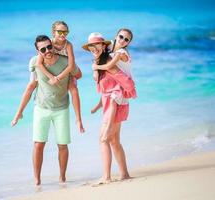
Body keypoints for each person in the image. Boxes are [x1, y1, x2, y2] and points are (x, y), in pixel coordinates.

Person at [11, 35, 82, 185]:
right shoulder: (34, 63)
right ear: (38, 51)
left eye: (49, 47)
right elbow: (30, 87)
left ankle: (62, 178)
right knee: (38, 144)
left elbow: (77, 80)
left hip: (61, 109)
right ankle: (37, 180)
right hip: (41, 108)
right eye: (43, 49)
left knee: (62, 145)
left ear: (52, 45)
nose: (47, 51)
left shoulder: (65, 61)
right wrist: (19, 113)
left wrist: (78, 118)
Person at [82, 32, 136, 184]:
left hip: (116, 104)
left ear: (104, 45)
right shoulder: (101, 61)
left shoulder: (109, 62)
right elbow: (107, 88)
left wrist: (109, 122)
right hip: (114, 104)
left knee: (104, 138)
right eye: (91, 46)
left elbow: (116, 91)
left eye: (97, 44)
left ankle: (106, 177)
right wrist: (98, 106)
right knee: (114, 140)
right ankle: (124, 174)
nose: (94, 48)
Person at [36, 21, 85, 133]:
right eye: (60, 32)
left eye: (65, 32)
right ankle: (78, 120)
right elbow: (39, 63)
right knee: (73, 88)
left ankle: (78, 119)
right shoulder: (49, 44)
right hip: (58, 67)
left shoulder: (68, 45)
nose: (63, 35)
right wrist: (51, 76)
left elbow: (71, 65)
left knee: (77, 80)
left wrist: (58, 77)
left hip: (67, 67)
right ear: (53, 33)